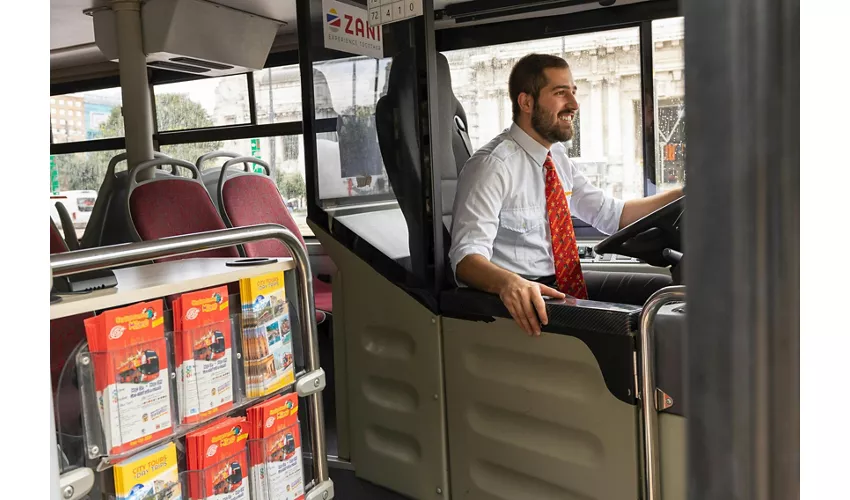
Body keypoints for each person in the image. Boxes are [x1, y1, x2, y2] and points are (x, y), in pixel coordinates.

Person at [449, 53, 683, 336]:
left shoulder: (556, 157)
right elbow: (466, 259)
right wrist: (509, 283)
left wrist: (685, 193)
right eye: (560, 93)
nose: (573, 104)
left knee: (664, 294)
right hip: (531, 297)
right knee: (652, 315)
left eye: (573, 92)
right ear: (526, 102)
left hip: (563, 284)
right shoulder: (491, 167)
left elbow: (612, 215)